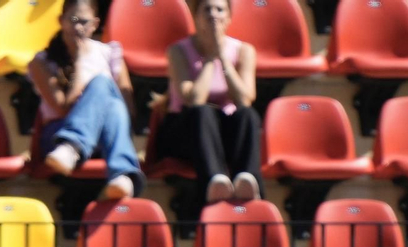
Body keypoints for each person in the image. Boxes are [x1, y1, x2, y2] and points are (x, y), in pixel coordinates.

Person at [27, 0, 144, 201]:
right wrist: (82, 64)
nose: (78, 27)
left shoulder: (109, 54)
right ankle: (122, 173)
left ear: (95, 24)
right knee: (102, 83)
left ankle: (76, 149)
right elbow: (63, 108)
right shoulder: (42, 62)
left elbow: (127, 109)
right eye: (73, 20)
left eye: (84, 21)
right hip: (57, 138)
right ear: (61, 21)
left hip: (104, 136)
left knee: (114, 104)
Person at [156, 0, 260, 205]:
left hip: (224, 131)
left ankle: (247, 182)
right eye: (207, 9)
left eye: (219, 9)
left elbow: (245, 98)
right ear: (196, 17)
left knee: (248, 115)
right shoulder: (178, 51)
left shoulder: (244, 51)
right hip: (187, 130)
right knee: (202, 112)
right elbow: (194, 99)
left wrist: (224, 57)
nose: (213, 14)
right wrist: (211, 58)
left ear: (229, 17)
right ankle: (214, 183)